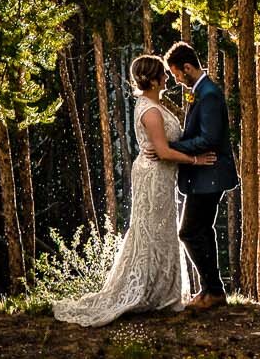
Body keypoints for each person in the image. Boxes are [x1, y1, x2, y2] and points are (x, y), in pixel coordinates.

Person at [51, 53, 215, 326]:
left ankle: (163, 290)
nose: (167, 76)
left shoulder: (153, 103)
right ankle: (149, 291)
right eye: (162, 73)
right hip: (154, 177)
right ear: (152, 79)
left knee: (160, 231)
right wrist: (195, 160)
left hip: (161, 177)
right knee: (151, 230)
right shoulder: (150, 111)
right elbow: (162, 151)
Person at [166, 39, 237, 309]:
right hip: (206, 174)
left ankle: (214, 290)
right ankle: (210, 291)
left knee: (189, 232)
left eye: (176, 74)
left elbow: (209, 137)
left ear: (186, 67)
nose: (177, 80)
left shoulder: (208, 93)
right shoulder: (203, 90)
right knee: (203, 231)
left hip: (210, 174)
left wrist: (171, 148)